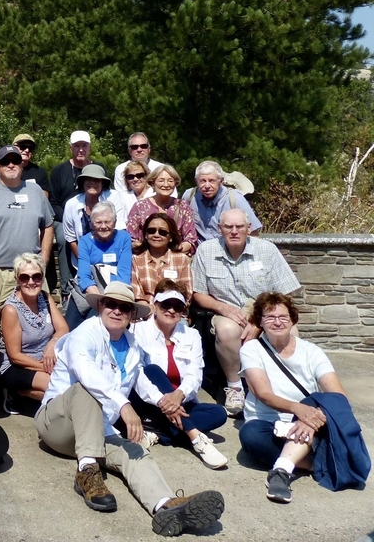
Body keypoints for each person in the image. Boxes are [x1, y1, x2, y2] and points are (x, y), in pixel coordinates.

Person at [35, 282, 225, 537]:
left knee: (134, 451)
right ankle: (87, 471)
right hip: (57, 425)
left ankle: (165, 505)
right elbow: (86, 373)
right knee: (86, 388)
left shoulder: (132, 344)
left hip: (96, 431)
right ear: (100, 306)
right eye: (110, 304)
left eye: (124, 308)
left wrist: (164, 403)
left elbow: (141, 380)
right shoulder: (84, 334)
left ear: (131, 315)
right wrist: (124, 405)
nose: (116, 311)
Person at [239, 291, 368, 502]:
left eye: (283, 317)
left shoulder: (311, 351)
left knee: (314, 404)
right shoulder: (251, 349)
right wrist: (299, 410)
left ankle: (282, 470)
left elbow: (337, 395)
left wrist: (313, 418)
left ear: (292, 320)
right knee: (250, 435)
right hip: (270, 423)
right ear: (260, 321)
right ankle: (319, 462)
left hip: (310, 421)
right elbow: (263, 394)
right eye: (270, 317)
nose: (277, 322)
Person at [192, 208, 301, 417]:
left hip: (266, 310)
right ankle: (235, 388)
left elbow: (286, 294)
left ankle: (286, 387)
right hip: (227, 310)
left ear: (248, 228)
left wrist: (260, 323)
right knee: (226, 330)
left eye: (239, 226)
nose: (234, 231)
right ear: (219, 229)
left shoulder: (267, 250)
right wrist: (223, 308)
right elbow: (198, 293)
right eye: (228, 227)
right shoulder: (206, 250)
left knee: (290, 333)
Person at [130, 279, 228, 469]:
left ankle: (158, 433)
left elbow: (195, 374)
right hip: (148, 401)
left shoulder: (191, 335)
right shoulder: (138, 331)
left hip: (180, 401)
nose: (172, 310)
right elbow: (138, 374)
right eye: (166, 304)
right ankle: (195, 437)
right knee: (152, 370)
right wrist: (164, 401)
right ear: (155, 305)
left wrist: (179, 395)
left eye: (178, 306)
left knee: (219, 413)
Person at [0, 145, 54, 311]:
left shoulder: (35, 191)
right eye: (6, 162)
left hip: (32, 272)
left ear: (22, 165)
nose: (11, 165)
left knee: (42, 319)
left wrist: (44, 259)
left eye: (15, 161)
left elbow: (48, 225)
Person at [0, 252, 69, 407]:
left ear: (42, 277)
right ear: (17, 279)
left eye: (36, 276)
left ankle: (24, 393)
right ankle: (16, 391)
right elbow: (15, 356)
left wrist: (52, 344)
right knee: (59, 386)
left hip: (46, 358)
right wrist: (49, 368)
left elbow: (63, 328)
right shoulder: (11, 310)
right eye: (25, 277)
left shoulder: (44, 297)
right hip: (17, 365)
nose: (31, 282)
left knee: (67, 388)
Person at [49, 131, 106, 300]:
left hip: (97, 215)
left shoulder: (99, 167)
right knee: (63, 238)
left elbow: (106, 194)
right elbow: (53, 202)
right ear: (70, 148)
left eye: (84, 146)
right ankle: (67, 288)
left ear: (89, 147)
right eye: (77, 146)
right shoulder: (59, 171)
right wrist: (67, 216)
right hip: (64, 218)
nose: (80, 149)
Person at [68, 202, 133, 329]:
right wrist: (98, 298)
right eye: (98, 222)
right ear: (92, 224)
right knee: (71, 324)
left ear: (114, 222)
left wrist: (111, 297)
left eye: (107, 222)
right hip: (94, 288)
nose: (103, 226)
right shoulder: (85, 241)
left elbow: (124, 273)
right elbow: (84, 274)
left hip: (117, 290)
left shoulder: (124, 237)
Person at [127, 165, 198, 255]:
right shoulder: (139, 207)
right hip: (145, 259)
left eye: (170, 181)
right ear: (152, 183)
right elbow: (131, 238)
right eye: (161, 180)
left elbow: (191, 240)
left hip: (174, 259)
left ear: (175, 184)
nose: (166, 184)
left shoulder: (183, 206)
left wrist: (170, 253)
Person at [186, 160, 262, 242]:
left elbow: (253, 235)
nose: (207, 186)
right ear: (196, 181)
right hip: (198, 251)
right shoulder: (190, 196)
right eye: (203, 181)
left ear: (221, 181)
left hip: (227, 250)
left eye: (212, 181)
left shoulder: (235, 199)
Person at [63, 164, 115, 273]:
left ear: (102, 183)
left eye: (97, 180)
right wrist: (85, 264)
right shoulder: (71, 204)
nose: (92, 182)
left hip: (112, 260)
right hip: (82, 261)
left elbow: (119, 231)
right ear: (82, 183)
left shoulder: (114, 198)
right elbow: (71, 238)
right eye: (88, 179)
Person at [132, 213, 193, 306]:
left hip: (173, 311)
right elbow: (137, 295)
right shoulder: (136, 259)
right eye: (151, 231)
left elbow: (187, 294)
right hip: (145, 312)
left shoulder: (182, 260)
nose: (156, 235)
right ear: (145, 235)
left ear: (171, 238)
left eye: (162, 232)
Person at [110, 159, 151, 230]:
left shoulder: (155, 194)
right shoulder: (122, 197)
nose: (135, 179)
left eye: (140, 175)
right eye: (130, 177)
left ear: (146, 176)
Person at [13, 133, 51, 198]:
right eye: (23, 147)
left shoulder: (40, 172)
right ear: (13, 148)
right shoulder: (4, 170)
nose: (27, 150)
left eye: (30, 148)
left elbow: (44, 199)